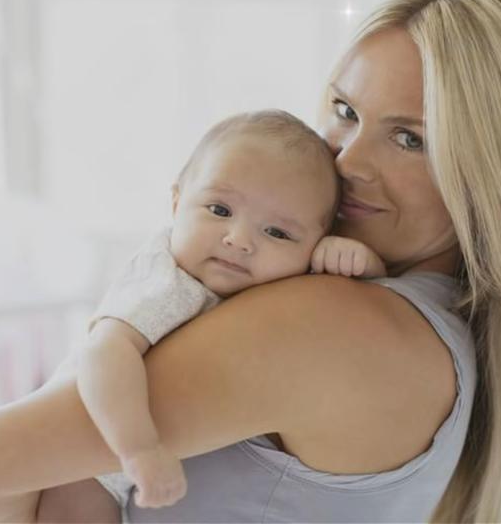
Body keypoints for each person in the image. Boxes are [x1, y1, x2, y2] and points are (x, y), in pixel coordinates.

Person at [0, 0, 501, 523]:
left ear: (490, 177)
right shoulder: (435, 337)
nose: (347, 162)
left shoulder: (335, 322)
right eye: (345, 110)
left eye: (410, 140)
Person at [71, 109, 384, 517]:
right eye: (219, 210)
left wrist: (357, 263)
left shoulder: (277, 284)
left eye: (277, 232)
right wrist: (139, 450)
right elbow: (102, 353)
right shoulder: (167, 280)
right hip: (89, 460)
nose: (239, 240)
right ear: (176, 203)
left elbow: (367, 306)